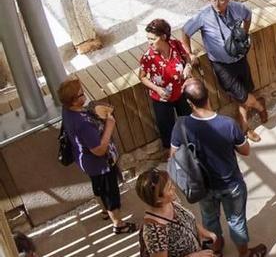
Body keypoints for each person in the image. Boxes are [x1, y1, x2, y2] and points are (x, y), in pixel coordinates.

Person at [171, 79, 266, 257]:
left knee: (209, 219)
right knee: (236, 221)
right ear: (208, 96)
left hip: (203, 185)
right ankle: (244, 254)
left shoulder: (181, 125)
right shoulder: (228, 124)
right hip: (231, 184)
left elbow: (173, 155)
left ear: (189, 103)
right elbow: (245, 151)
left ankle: (215, 251)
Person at [182, 0, 267, 142]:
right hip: (222, 65)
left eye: (221, 0)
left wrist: (244, 34)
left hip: (239, 58)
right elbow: (185, 32)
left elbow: (248, 15)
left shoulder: (236, 8)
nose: (217, 3)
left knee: (244, 92)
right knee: (241, 95)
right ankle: (260, 106)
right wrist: (189, 53)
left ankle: (245, 129)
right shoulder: (204, 15)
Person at [59, 77, 137, 235]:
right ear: (74, 101)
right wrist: (109, 126)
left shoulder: (68, 110)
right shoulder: (82, 124)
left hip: (87, 163)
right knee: (110, 192)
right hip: (100, 164)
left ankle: (104, 211)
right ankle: (118, 223)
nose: (84, 95)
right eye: (81, 94)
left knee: (98, 186)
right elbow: (99, 150)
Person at [136, 168, 220, 257]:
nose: (174, 188)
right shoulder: (154, 232)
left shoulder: (172, 201)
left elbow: (188, 220)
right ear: (158, 199)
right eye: (169, 188)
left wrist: (204, 232)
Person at [139, 18, 193, 152]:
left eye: (152, 39)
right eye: (148, 39)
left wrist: (188, 67)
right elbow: (142, 77)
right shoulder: (148, 57)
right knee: (167, 128)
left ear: (163, 37)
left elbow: (187, 58)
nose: (149, 42)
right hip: (162, 98)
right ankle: (171, 154)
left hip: (180, 92)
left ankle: (191, 146)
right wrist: (157, 89)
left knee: (188, 120)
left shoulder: (175, 45)